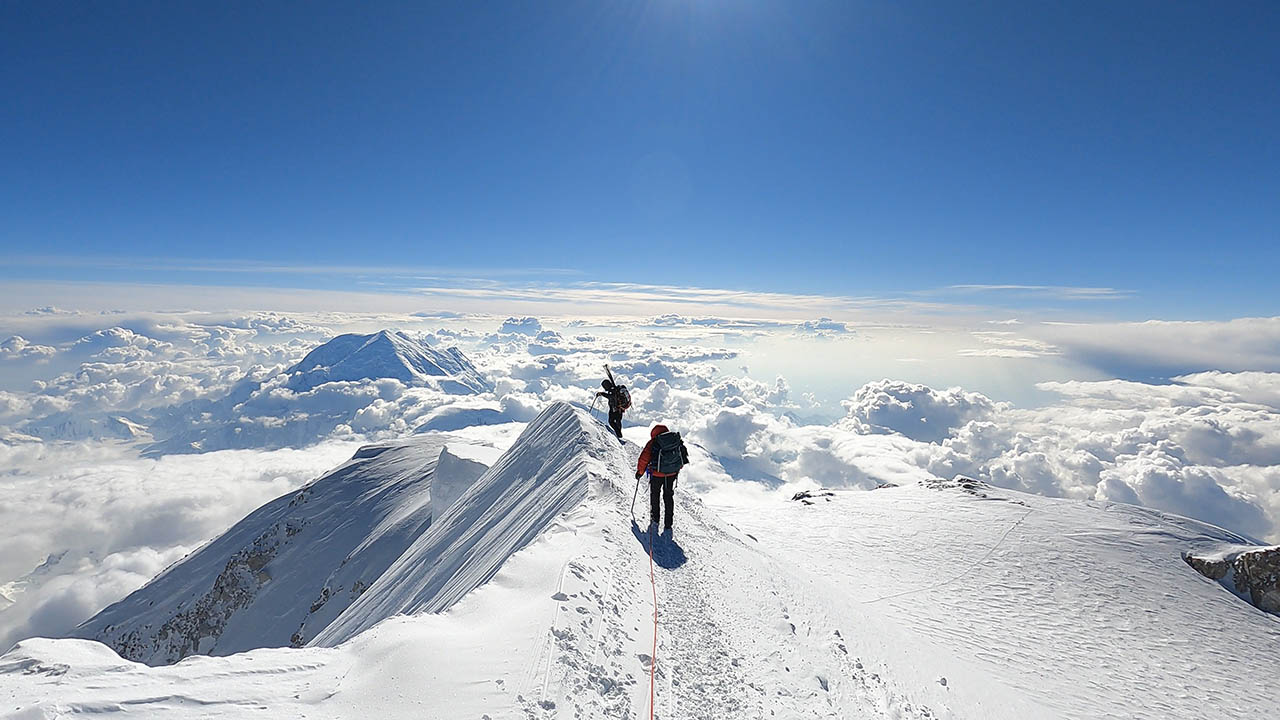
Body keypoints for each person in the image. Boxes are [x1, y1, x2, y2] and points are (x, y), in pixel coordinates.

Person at [635, 424, 689, 531]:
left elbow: (644, 459)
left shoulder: (654, 442)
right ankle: (668, 523)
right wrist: (675, 469)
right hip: (672, 474)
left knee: (655, 494)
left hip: (656, 474)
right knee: (668, 496)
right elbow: (682, 456)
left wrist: (640, 472)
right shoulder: (675, 440)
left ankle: (655, 518)